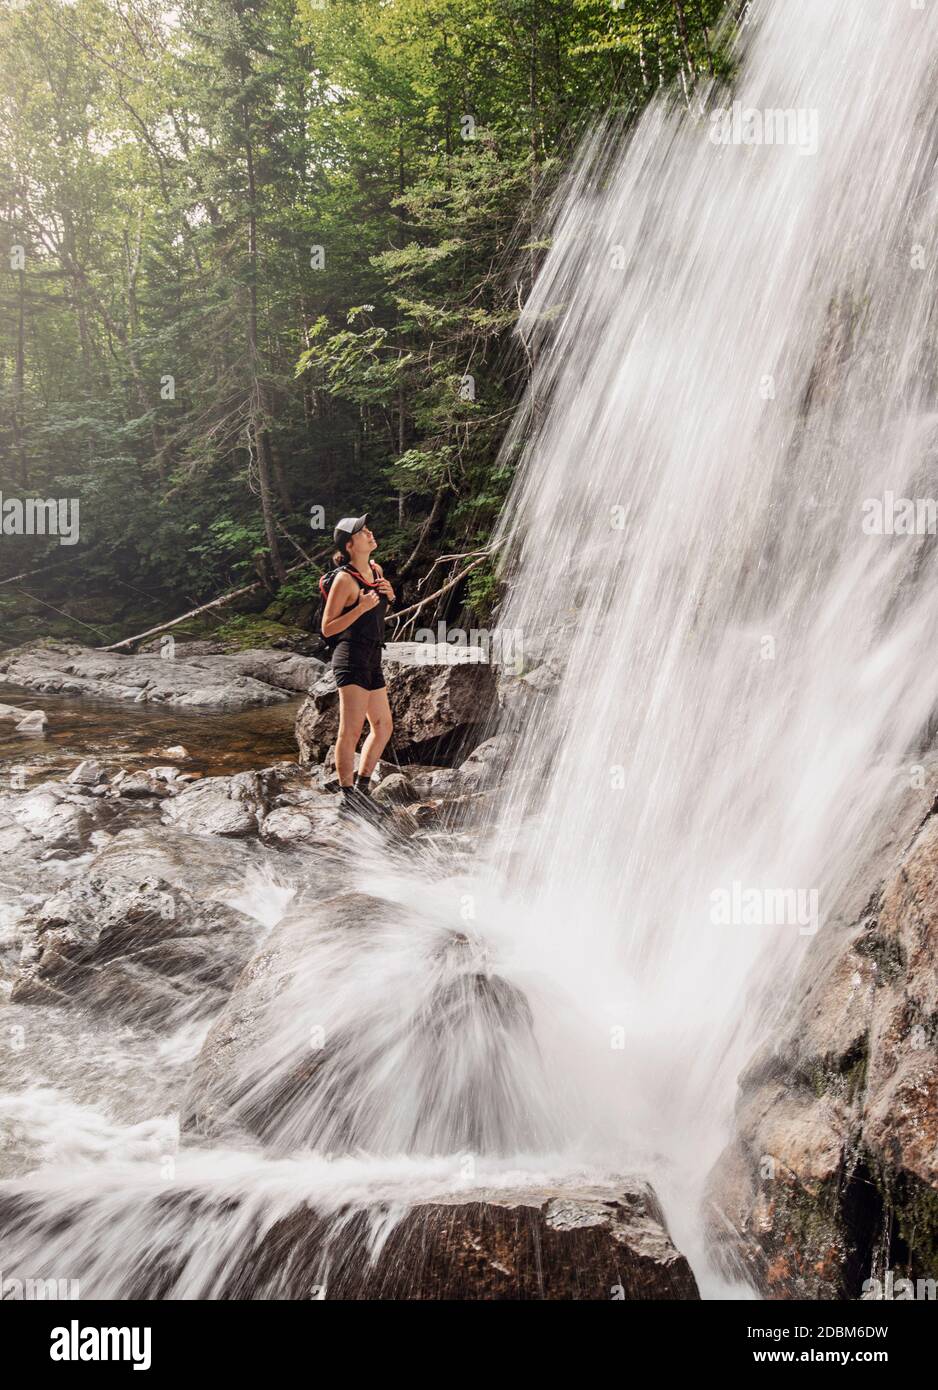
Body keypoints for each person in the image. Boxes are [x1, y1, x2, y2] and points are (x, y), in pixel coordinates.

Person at [321, 514, 395, 815]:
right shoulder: (344, 579)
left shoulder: (376, 570)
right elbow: (328, 628)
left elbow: (377, 612)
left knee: (383, 726)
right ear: (351, 545)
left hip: (372, 655)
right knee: (350, 731)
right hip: (350, 657)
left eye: (368, 528)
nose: (370, 533)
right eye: (363, 532)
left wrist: (389, 596)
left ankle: (363, 788)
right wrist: (361, 606)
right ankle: (348, 795)